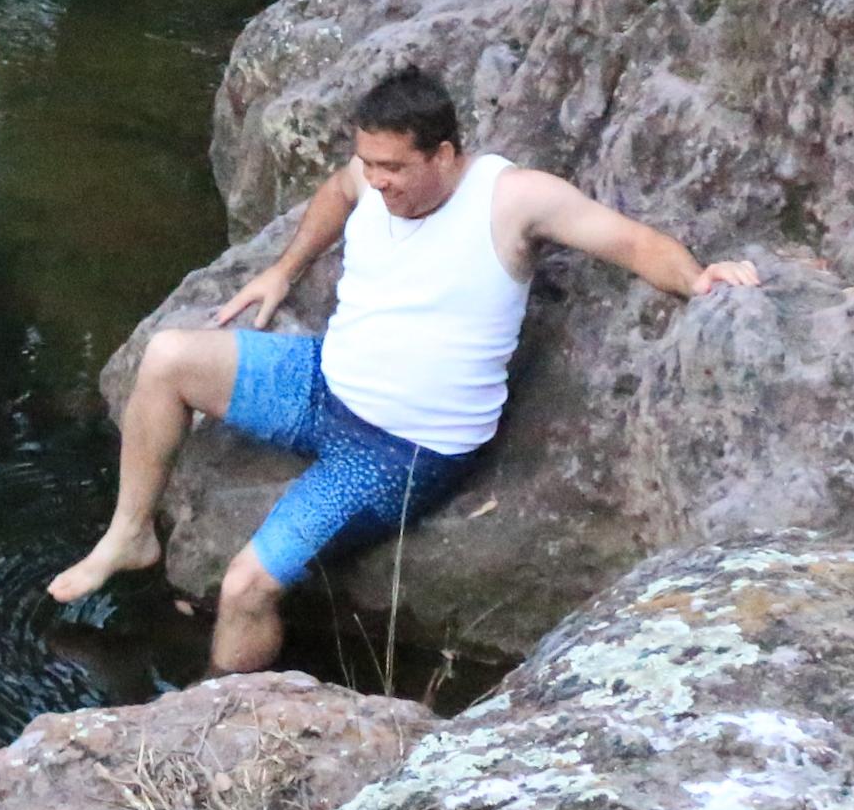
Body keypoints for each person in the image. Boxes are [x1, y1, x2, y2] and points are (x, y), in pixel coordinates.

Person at [46, 66, 758, 672]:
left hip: (400, 448)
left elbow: (630, 242)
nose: (377, 181)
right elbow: (335, 192)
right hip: (323, 381)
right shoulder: (368, 174)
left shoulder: (511, 200)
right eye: (370, 163)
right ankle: (130, 534)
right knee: (168, 356)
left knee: (245, 587)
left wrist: (698, 279)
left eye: (394, 169)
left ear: (444, 154)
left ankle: (211, 724)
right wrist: (282, 271)